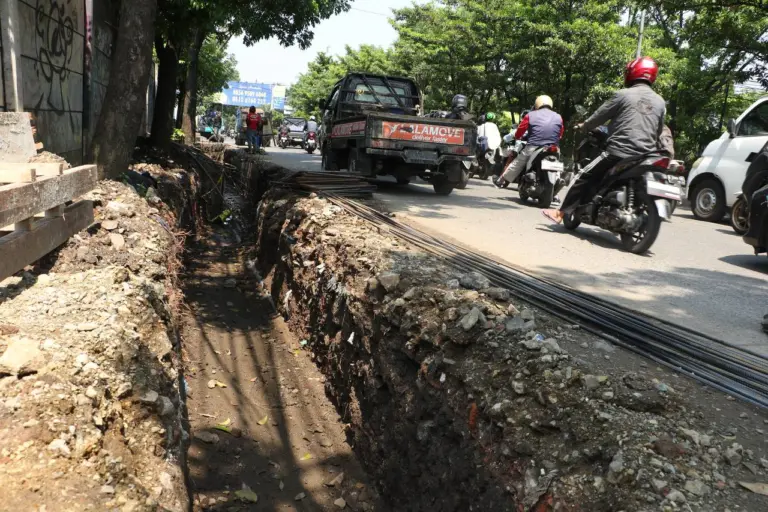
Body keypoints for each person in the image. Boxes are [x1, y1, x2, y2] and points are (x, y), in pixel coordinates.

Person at [542, 57, 666, 223]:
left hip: (618, 151)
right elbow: (658, 131)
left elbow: (599, 116)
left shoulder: (623, 95)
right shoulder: (660, 102)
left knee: (584, 175)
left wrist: (584, 126)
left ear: (631, 73)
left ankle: (561, 213)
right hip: (645, 156)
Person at [494, 95, 564, 188]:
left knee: (519, 162)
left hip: (534, 146)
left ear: (537, 104)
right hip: (553, 147)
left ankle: (501, 180)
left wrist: (518, 137)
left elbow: (520, 131)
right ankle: (557, 186)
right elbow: (560, 133)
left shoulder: (530, 115)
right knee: (556, 165)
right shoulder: (558, 117)